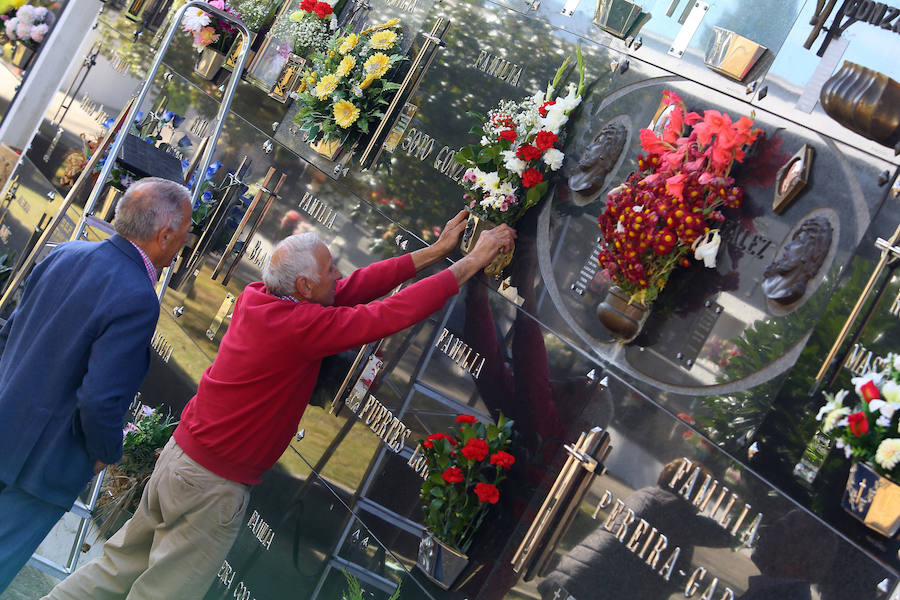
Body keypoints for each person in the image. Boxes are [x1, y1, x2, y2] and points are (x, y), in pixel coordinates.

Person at [44, 209, 516, 599]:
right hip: (212, 485)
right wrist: (469, 263)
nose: (339, 275)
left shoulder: (262, 298)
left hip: (181, 461)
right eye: (330, 269)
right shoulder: (299, 328)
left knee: (113, 571)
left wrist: (434, 253)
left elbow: (354, 290)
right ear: (306, 288)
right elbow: (385, 313)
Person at [0, 177, 192, 592]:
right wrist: (105, 452)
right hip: (44, 464)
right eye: (186, 232)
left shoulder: (65, 253)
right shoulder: (138, 296)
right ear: (164, 235)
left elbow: (10, 334)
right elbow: (100, 398)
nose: (186, 243)